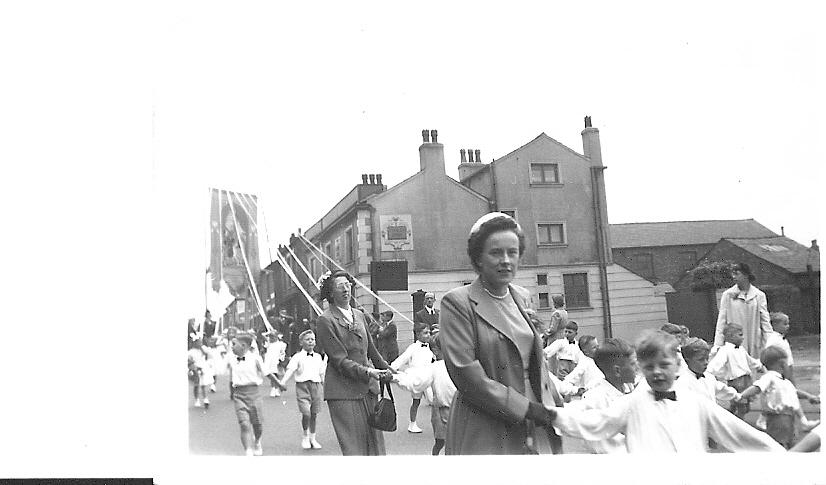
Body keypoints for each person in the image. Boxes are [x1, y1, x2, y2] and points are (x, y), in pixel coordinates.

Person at [441, 212, 562, 455]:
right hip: (486, 416)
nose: (505, 260)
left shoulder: (522, 296)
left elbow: (535, 362)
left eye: (512, 252)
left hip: (535, 411)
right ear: (478, 258)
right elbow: (466, 374)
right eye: (496, 253)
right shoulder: (457, 302)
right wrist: (525, 408)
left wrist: (557, 404)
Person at [548, 330, 784, 452]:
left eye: (664, 365)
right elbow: (586, 421)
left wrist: (784, 456)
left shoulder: (695, 402)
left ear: (677, 366)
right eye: (649, 367)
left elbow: (739, 433)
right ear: (641, 368)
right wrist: (540, 412)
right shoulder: (632, 403)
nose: (657, 373)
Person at [314, 270, 394, 456]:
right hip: (343, 392)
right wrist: (369, 372)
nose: (345, 289)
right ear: (330, 293)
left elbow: (372, 350)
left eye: (348, 285)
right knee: (354, 448)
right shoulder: (325, 320)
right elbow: (340, 360)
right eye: (339, 286)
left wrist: (389, 369)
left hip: (368, 388)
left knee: (375, 446)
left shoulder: (359, 314)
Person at [735, 346, 820, 448]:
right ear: (782, 364)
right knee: (780, 443)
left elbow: (794, 391)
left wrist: (808, 396)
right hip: (777, 417)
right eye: (786, 363)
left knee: (792, 442)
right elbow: (757, 387)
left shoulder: (785, 381)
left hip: (790, 418)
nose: (788, 366)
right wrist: (741, 395)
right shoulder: (769, 377)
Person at [574, 337, 638, 453]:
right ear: (617, 371)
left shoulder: (629, 389)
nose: (638, 367)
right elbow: (599, 445)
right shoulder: (595, 399)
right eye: (633, 364)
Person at [278, 330, 327, 450]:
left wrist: (325, 386)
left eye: (313, 339)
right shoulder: (297, 357)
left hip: (316, 386)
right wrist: (282, 382)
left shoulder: (317, 357)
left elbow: (322, 373)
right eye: (307, 339)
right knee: (306, 413)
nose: (311, 341)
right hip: (302, 387)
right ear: (301, 342)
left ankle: (313, 438)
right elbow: (290, 370)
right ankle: (305, 436)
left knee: (314, 414)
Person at [713, 262, 771, 358]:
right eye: (733, 273)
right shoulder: (728, 295)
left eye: (737, 273)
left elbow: (765, 321)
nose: (733, 276)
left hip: (754, 338)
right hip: (734, 339)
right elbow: (722, 320)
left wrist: (769, 342)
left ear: (746, 275)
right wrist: (718, 344)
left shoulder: (759, 295)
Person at [707, 323, 765, 419]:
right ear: (730, 336)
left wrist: (759, 365)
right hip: (736, 382)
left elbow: (750, 360)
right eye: (740, 335)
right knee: (742, 406)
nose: (743, 338)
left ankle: (731, 416)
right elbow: (716, 364)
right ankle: (738, 423)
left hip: (746, 379)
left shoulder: (741, 349)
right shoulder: (724, 350)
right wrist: (708, 373)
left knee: (744, 405)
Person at [391, 322, 436, 433]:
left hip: (429, 376)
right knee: (416, 402)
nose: (428, 335)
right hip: (416, 377)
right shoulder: (413, 347)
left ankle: (439, 423)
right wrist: (391, 368)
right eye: (425, 333)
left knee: (434, 400)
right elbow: (402, 359)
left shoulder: (431, 346)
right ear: (418, 335)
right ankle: (412, 424)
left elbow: (434, 358)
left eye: (429, 332)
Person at [228, 333, 266, 456]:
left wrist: (280, 384)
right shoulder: (231, 359)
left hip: (254, 393)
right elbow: (219, 368)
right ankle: (248, 451)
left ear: (243, 345)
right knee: (244, 424)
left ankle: (257, 440)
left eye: (234, 344)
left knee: (257, 424)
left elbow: (266, 372)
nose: (232, 347)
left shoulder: (255, 358)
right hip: (239, 395)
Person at [677, 337, 740, 404]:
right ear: (687, 360)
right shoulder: (683, 382)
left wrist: (737, 396)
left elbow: (722, 389)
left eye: (707, 358)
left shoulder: (709, 377)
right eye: (701, 359)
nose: (706, 362)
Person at [428, 332, 456, 455]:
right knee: (440, 441)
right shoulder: (434, 367)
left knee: (455, 441)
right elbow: (418, 381)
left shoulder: (456, 364)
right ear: (436, 350)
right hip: (440, 409)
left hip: (456, 408)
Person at [187, 338, 216, 408]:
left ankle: (205, 399)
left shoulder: (203, 349)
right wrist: (193, 367)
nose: (200, 344)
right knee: (196, 385)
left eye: (200, 342)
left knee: (203, 385)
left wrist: (208, 361)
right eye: (198, 342)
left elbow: (210, 354)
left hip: (203, 367)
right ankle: (197, 399)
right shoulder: (191, 352)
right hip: (195, 368)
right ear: (194, 343)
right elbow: (189, 361)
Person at [263, 332, 287, 397]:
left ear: (276, 337)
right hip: (269, 361)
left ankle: (276, 389)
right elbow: (263, 335)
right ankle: (274, 388)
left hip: (276, 361)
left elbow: (282, 353)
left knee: (276, 375)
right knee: (270, 375)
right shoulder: (268, 344)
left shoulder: (281, 344)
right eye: (270, 337)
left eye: (272, 337)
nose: (271, 338)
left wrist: (281, 360)